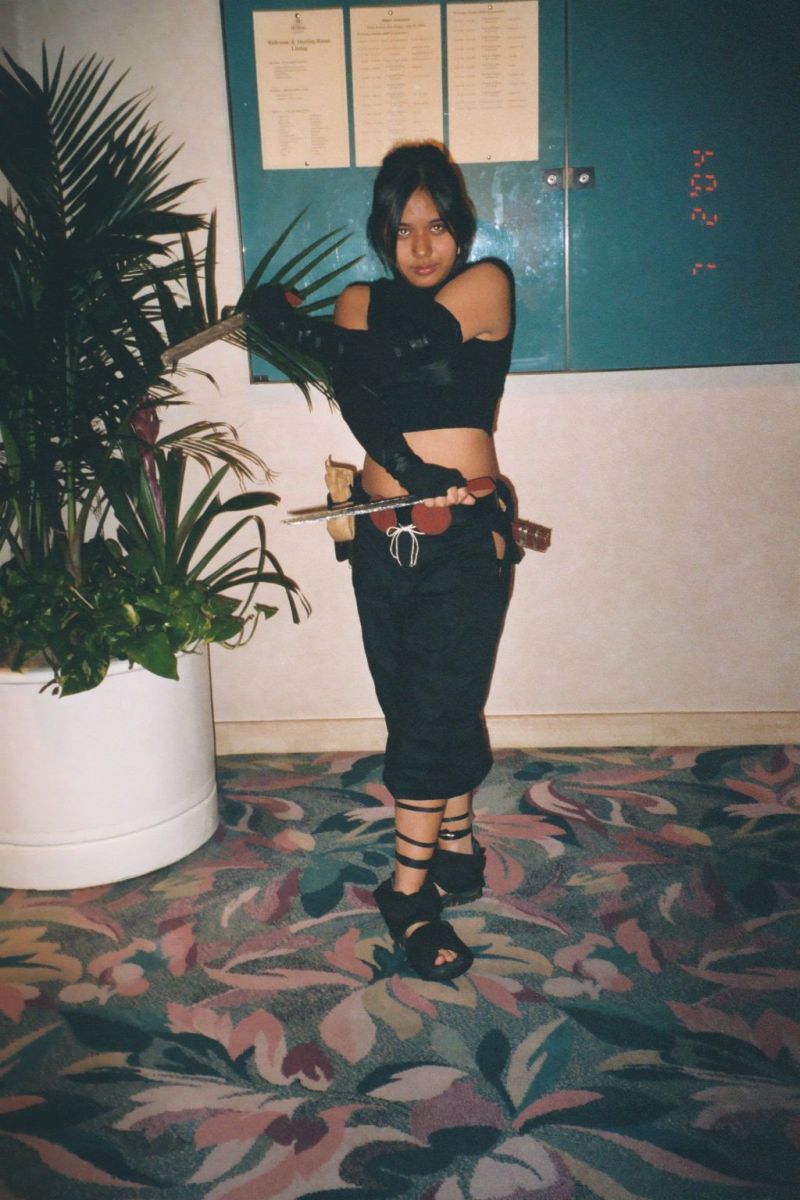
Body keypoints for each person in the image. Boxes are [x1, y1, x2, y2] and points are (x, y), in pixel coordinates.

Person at [247, 141, 515, 983]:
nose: (423, 245)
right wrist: (407, 466)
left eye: (437, 225)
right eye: (404, 229)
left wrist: (283, 321)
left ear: (461, 228)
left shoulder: (487, 285)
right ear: (382, 233)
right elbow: (359, 398)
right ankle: (457, 836)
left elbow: (388, 357)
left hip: (464, 534)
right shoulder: (361, 299)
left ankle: (407, 895)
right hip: (380, 534)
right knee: (416, 697)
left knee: (438, 700)